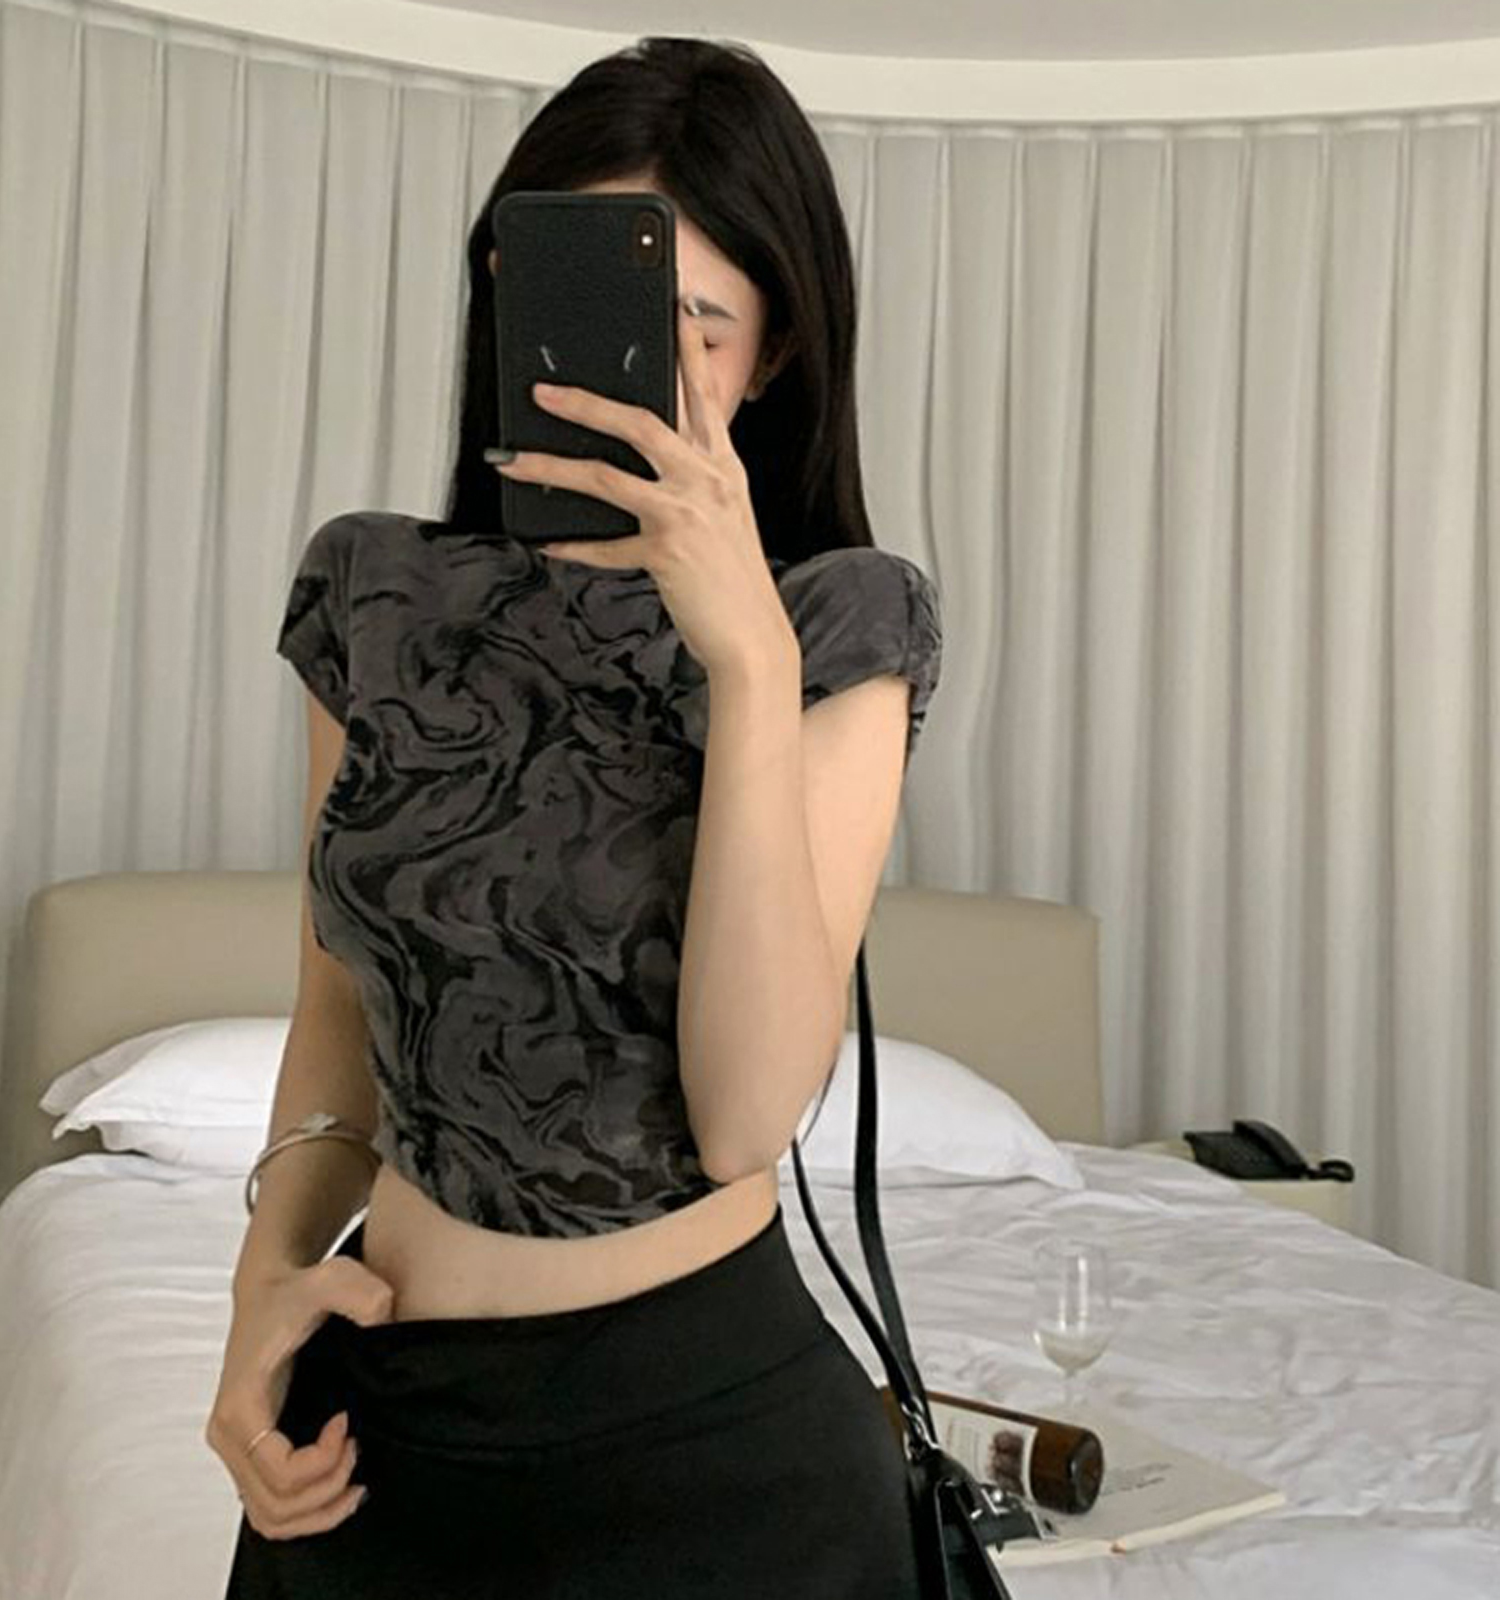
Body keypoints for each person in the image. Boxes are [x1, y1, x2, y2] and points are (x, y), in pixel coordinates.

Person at [207, 33, 943, 1599]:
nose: (638, 370)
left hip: (709, 1456)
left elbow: (745, 1116)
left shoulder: (838, 624)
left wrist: (747, 661)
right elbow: (338, 1009)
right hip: (376, 1435)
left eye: (697, 325)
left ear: (774, 356)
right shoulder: (375, 590)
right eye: (599, 308)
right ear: (507, 295)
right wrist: (262, 1287)